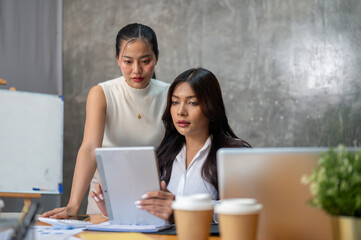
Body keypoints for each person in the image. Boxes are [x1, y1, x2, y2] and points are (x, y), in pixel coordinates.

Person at [41, 23, 170, 218]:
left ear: (156, 58)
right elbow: (90, 148)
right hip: (104, 198)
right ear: (117, 59)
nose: (137, 70)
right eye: (128, 61)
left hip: (152, 199)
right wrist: (73, 205)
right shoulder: (102, 93)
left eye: (145, 61)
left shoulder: (171, 94)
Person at [91, 67, 251, 222]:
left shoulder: (234, 154)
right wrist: (115, 209)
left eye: (192, 103)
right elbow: (152, 216)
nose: (181, 111)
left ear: (211, 107)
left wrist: (180, 210)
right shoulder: (165, 155)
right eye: (175, 102)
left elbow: (243, 212)